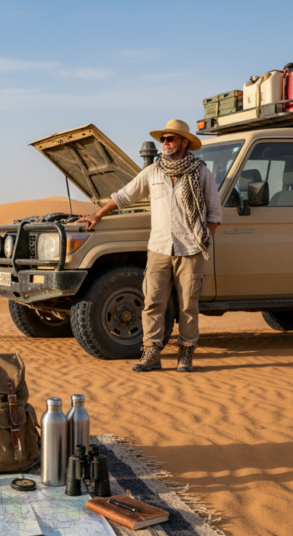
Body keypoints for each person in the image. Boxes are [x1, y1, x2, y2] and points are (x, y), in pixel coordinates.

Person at [75, 119, 221, 373]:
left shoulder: (200, 172)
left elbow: (215, 213)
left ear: (184, 143)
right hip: (158, 249)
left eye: (170, 139)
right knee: (153, 303)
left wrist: (203, 239)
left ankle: (186, 354)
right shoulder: (153, 172)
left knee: (188, 305)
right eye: (163, 139)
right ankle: (151, 354)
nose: (165, 143)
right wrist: (98, 215)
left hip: (190, 250)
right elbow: (124, 195)